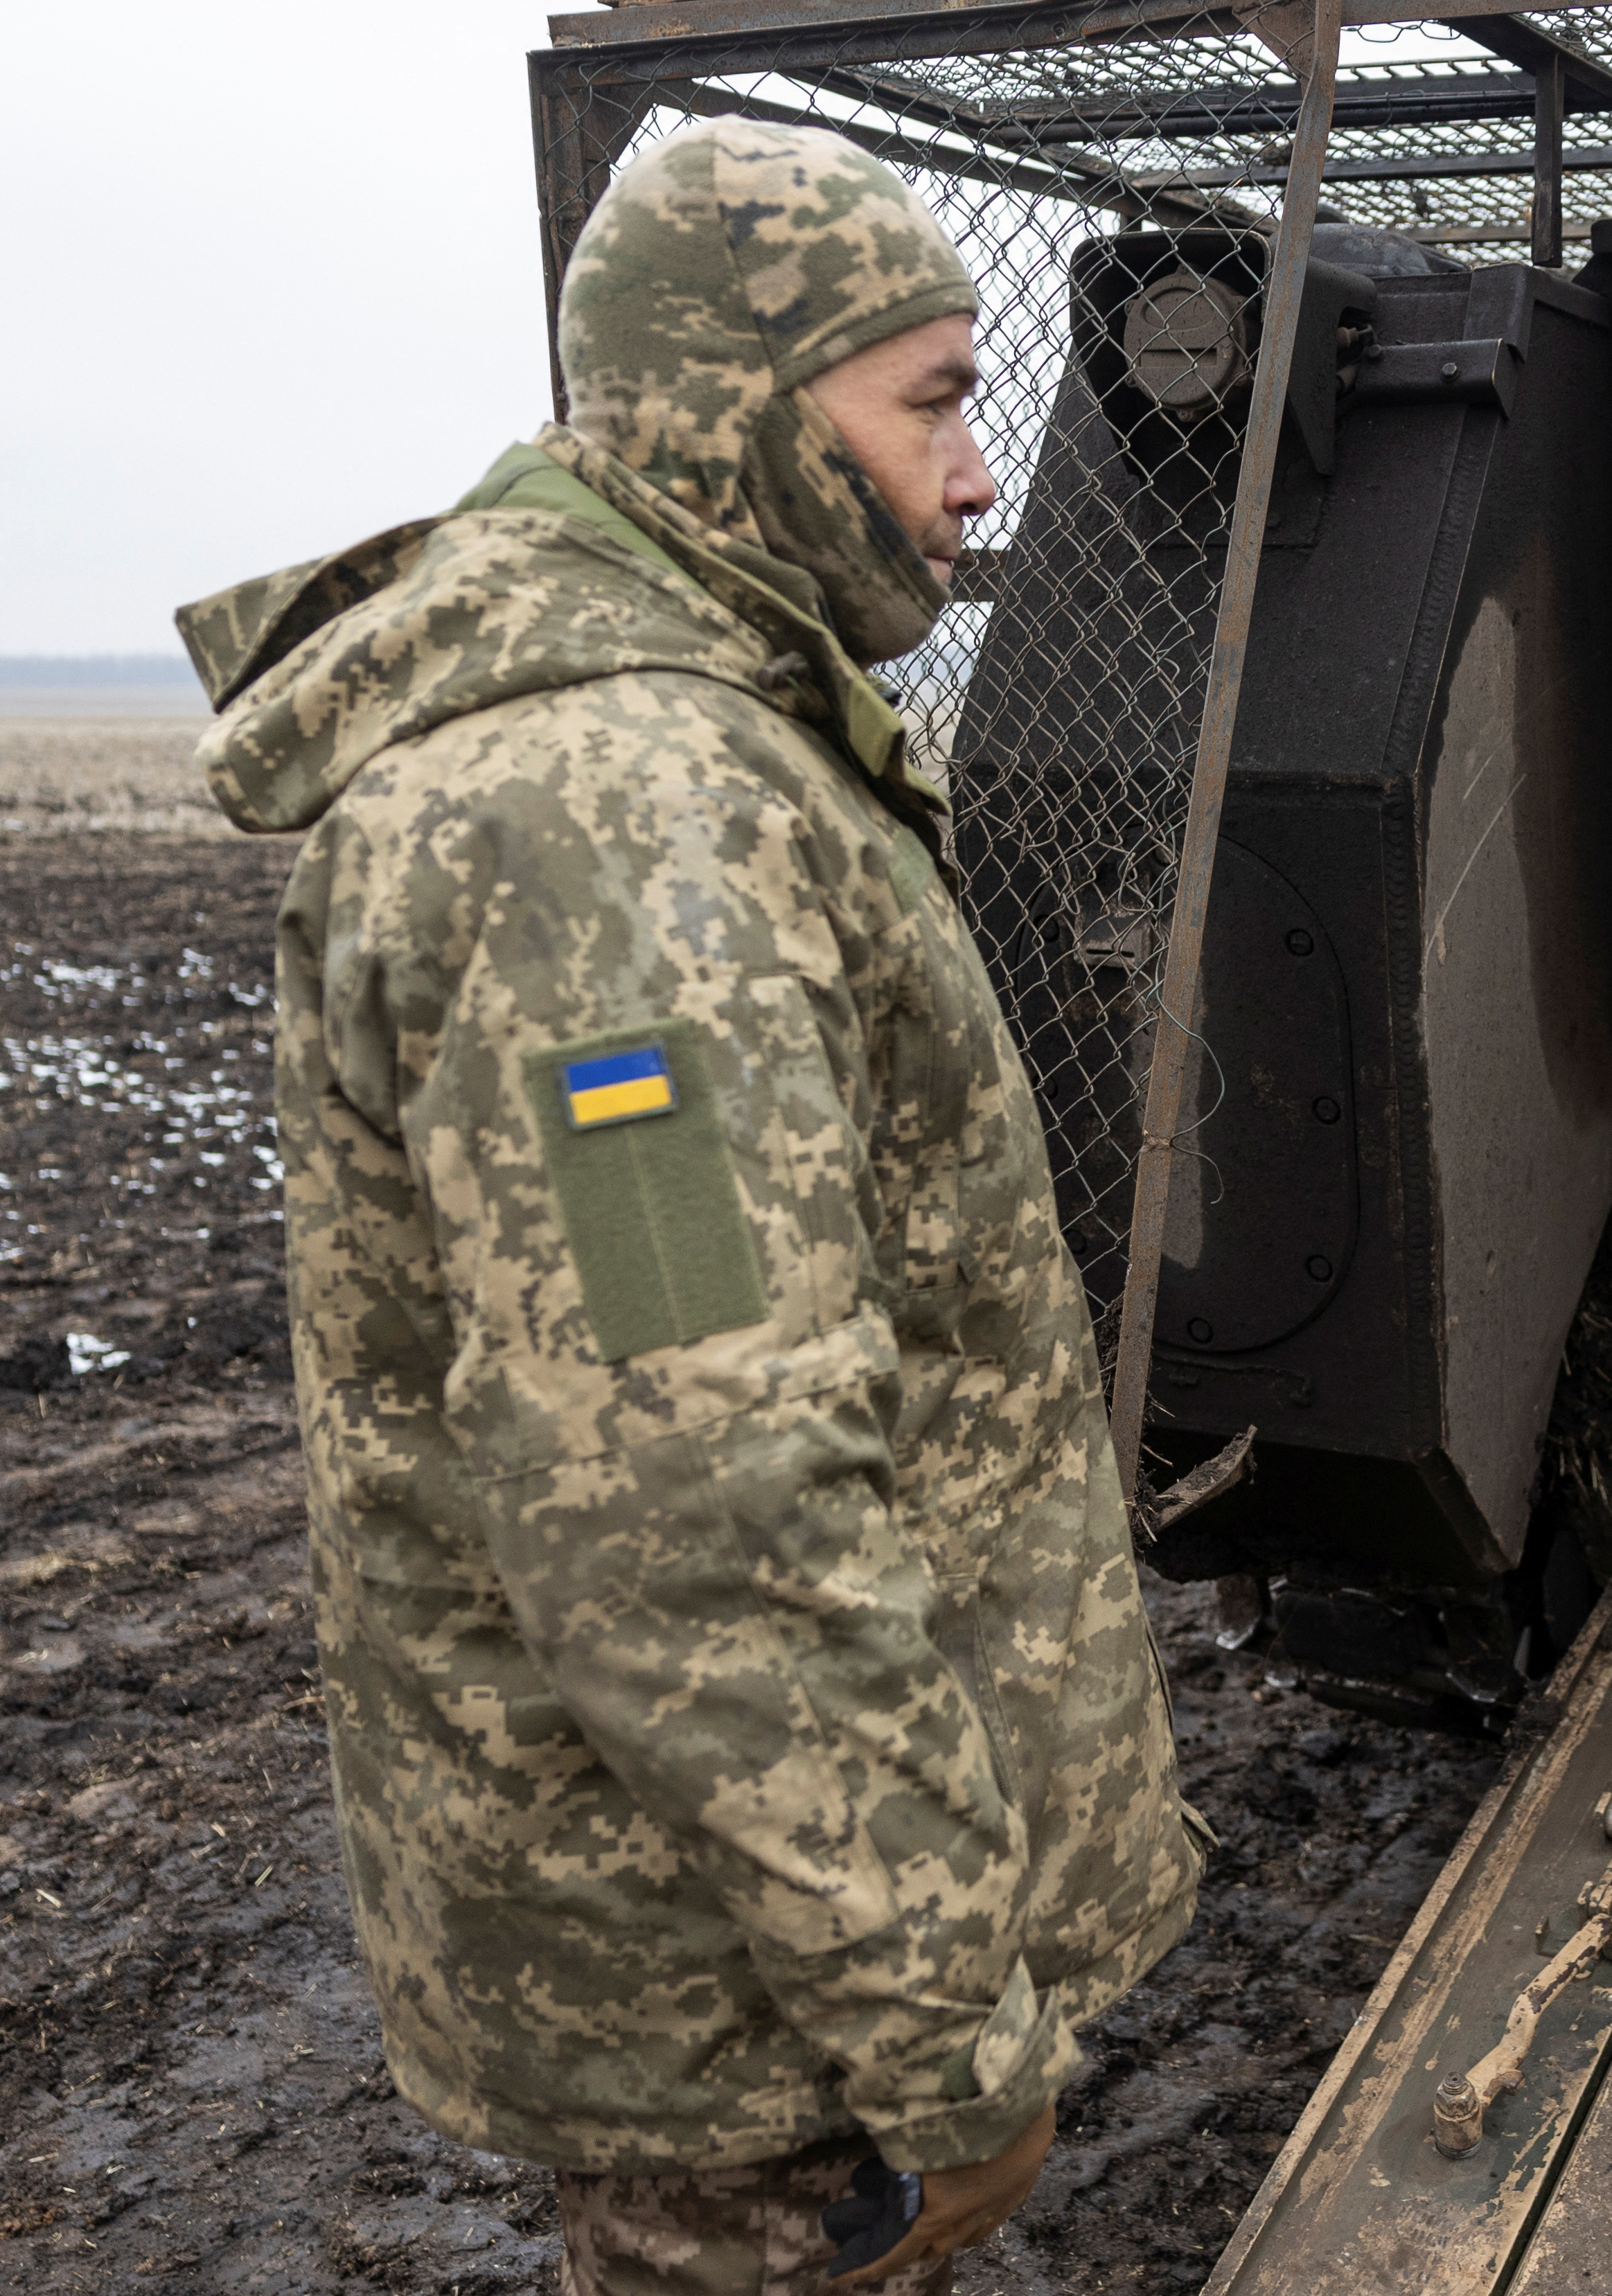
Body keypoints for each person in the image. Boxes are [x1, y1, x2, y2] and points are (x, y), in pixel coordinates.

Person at [176, 121, 1203, 2292]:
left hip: (767, 1977)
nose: (977, 471)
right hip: (749, 2023)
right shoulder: (613, 823)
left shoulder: (689, 743)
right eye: (927, 400)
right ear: (738, 411)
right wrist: (946, 2035)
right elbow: (699, 1512)